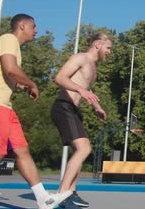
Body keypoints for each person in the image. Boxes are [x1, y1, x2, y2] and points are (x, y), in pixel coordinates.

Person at [0, 14, 72, 209]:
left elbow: (9, 74)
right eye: (33, 26)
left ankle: (43, 198)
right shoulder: (8, 39)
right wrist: (31, 83)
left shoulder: (14, 47)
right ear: (22, 26)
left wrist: (21, 85)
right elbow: (10, 68)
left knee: (22, 151)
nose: (36, 31)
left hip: (4, 106)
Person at [51, 33, 111, 208]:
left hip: (74, 110)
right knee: (84, 149)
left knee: (81, 151)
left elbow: (87, 92)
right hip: (64, 106)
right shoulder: (80, 58)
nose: (109, 52)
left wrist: (97, 108)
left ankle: (71, 191)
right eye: (108, 48)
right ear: (98, 45)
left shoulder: (93, 68)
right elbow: (60, 78)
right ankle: (61, 195)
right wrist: (81, 90)